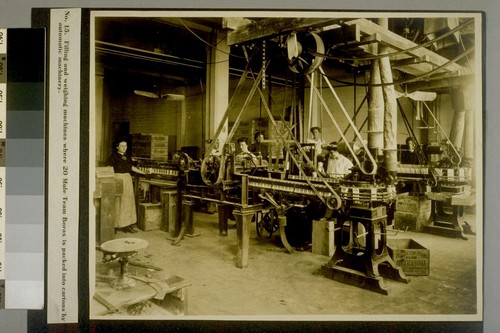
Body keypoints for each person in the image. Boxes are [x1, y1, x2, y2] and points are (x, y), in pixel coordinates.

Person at [109, 138, 147, 233]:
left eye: (125, 146)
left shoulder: (127, 156)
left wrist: (143, 172)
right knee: (119, 203)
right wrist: (114, 180)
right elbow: (110, 170)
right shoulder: (112, 157)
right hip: (118, 179)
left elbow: (131, 167)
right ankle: (115, 225)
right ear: (117, 147)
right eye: (122, 146)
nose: (124, 148)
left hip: (127, 180)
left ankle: (128, 225)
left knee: (128, 203)